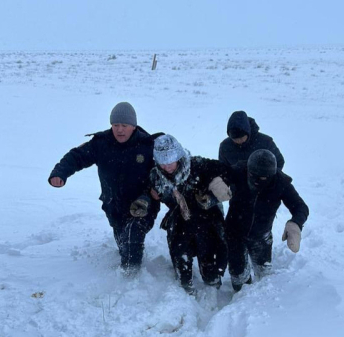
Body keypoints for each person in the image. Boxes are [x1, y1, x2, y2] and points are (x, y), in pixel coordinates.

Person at [49, 102, 161, 276]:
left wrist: (156, 193)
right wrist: (60, 173)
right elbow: (76, 157)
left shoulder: (148, 145)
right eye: (116, 125)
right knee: (123, 240)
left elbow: (168, 170)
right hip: (113, 204)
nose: (120, 130)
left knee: (133, 235)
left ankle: (130, 278)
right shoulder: (101, 143)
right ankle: (128, 258)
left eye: (124, 125)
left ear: (133, 126)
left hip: (143, 204)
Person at [130, 135, 232, 294]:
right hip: (180, 222)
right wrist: (144, 201)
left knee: (210, 267)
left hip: (207, 220)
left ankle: (212, 287)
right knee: (180, 257)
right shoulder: (156, 176)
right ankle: (186, 288)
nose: (167, 167)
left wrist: (214, 193)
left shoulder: (198, 165)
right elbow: (149, 192)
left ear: (178, 156)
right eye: (162, 162)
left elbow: (226, 171)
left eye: (170, 161)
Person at [225, 149, 309, 292]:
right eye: (252, 175)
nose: (257, 181)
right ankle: (241, 298)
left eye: (263, 178)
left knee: (263, 271)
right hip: (234, 232)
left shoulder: (281, 183)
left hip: (261, 235)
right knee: (238, 275)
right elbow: (215, 175)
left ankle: (262, 298)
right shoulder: (238, 171)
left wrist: (295, 223)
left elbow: (300, 207)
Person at [218, 110, 285, 172]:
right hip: (237, 183)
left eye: (241, 137)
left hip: (261, 182)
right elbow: (222, 169)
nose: (239, 141)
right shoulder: (225, 147)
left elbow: (279, 161)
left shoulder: (265, 142)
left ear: (247, 132)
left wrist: (267, 178)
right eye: (235, 139)